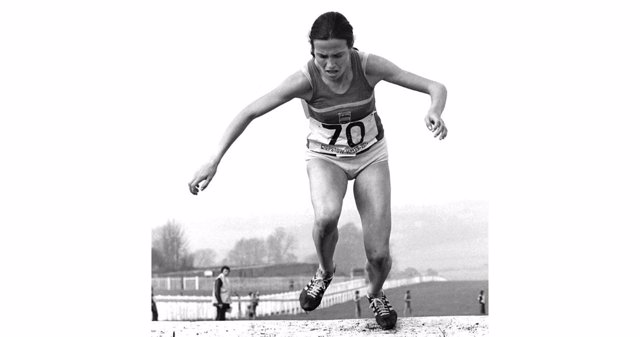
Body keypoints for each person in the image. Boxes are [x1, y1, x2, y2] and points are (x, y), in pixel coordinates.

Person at [189, 11, 447, 330]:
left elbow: (435, 86)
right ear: (312, 52)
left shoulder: (370, 66)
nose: (330, 65)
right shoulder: (305, 79)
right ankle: (325, 271)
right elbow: (250, 111)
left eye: (337, 55)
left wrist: (433, 111)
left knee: (379, 254)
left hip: (370, 156)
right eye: (321, 55)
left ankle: (376, 293)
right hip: (326, 157)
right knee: (326, 217)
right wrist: (213, 159)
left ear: (351, 49)